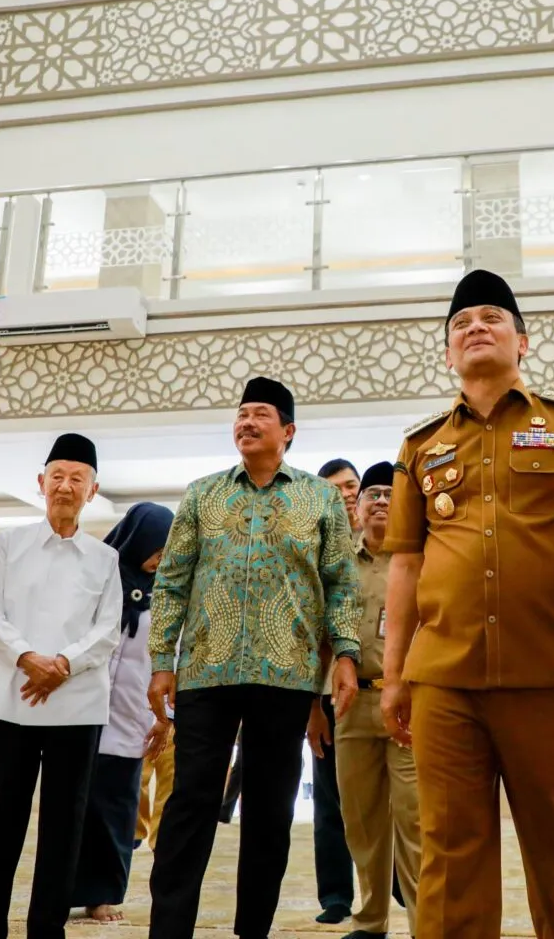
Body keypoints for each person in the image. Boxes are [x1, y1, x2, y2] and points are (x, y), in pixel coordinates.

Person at [381, 269, 554, 939]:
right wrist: (395, 673)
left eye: (491, 318)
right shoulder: (420, 446)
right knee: (450, 855)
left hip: (547, 675)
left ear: (523, 341)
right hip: (444, 681)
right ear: (448, 354)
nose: (476, 329)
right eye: (461, 324)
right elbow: (405, 564)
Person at [147, 377, 361, 939]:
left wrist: (346, 653)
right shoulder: (202, 495)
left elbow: (342, 584)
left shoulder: (319, 499)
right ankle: (168, 930)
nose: (246, 422)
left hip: (286, 675)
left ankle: (253, 932)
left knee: (269, 810)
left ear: (288, 431)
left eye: (260, 413)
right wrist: (162, 660)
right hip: (206, 671)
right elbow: (171, 582)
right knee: (191, 802)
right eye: (241, 414)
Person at [0, 433, 122, 939]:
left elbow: (108, 629)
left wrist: (62, 665)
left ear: (92, 491)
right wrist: (29, 659)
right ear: (41, 483)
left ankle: (46, 929)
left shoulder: (105, 558)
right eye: (57, 475)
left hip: (77, 708)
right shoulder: (8, 544)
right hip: (12, 702)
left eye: (77, 478)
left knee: (64, 828)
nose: (65, 486)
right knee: (0, 825)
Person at [70, 502, 174, 923]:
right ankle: (61, 889)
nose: (160, 559)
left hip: (133, 716)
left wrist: (166, 717)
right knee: (74, 808)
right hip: (81, 712)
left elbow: (171, 658)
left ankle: (103, 895)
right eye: (156, 549)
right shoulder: (96, 580)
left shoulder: (166, 594)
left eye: (167, 551)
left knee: (117, 811)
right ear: (136, 540)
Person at [333, 460, 422, 939]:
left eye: (391, 494)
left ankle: (425, 924)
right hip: (350, 705)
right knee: (361, 822)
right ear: (359, 505)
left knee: (415, 820)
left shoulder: (419, 558)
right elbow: (323, 635)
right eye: (373, 494)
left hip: (408, 705)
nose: (382, 501)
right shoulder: (338, 562)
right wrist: (315, 710)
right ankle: (370, 922)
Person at [312, 456, 362, 926]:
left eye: (351, 486)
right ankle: (335, 895)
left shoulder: (387, 544)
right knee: (330, 799)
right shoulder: (315, 548)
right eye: (334, 489)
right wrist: (312, 703)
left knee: (390, 795)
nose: (345, 495)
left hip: (379, 686)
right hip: (328, 691)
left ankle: (395, 886)